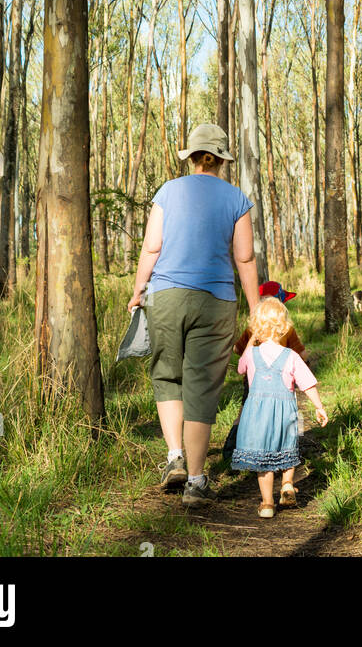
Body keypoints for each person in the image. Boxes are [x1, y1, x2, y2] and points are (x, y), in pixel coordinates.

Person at [128, 122, 258, 508]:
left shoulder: (168, 191)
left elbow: (152, 247)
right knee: (202, 385)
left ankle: (174, 459)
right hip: (216, 300)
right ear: (220, 160)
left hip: (166, 295)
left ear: (193, 156)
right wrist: (255, 310)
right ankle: (197, 483)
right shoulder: (237, 199)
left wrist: (138, 289)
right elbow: (245, 258)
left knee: (168, 373)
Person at [231, 296, 328, 519]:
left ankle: (266, 503)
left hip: (257, 414)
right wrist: (318, 406)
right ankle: (286, 483)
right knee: (288, 449)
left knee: (263, 460)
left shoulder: (252, 354)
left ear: (256, 326)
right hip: (286, 412)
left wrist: (250, 341)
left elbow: (240, 368)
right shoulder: (291, 355)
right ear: (283, 326)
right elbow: (308, 382)